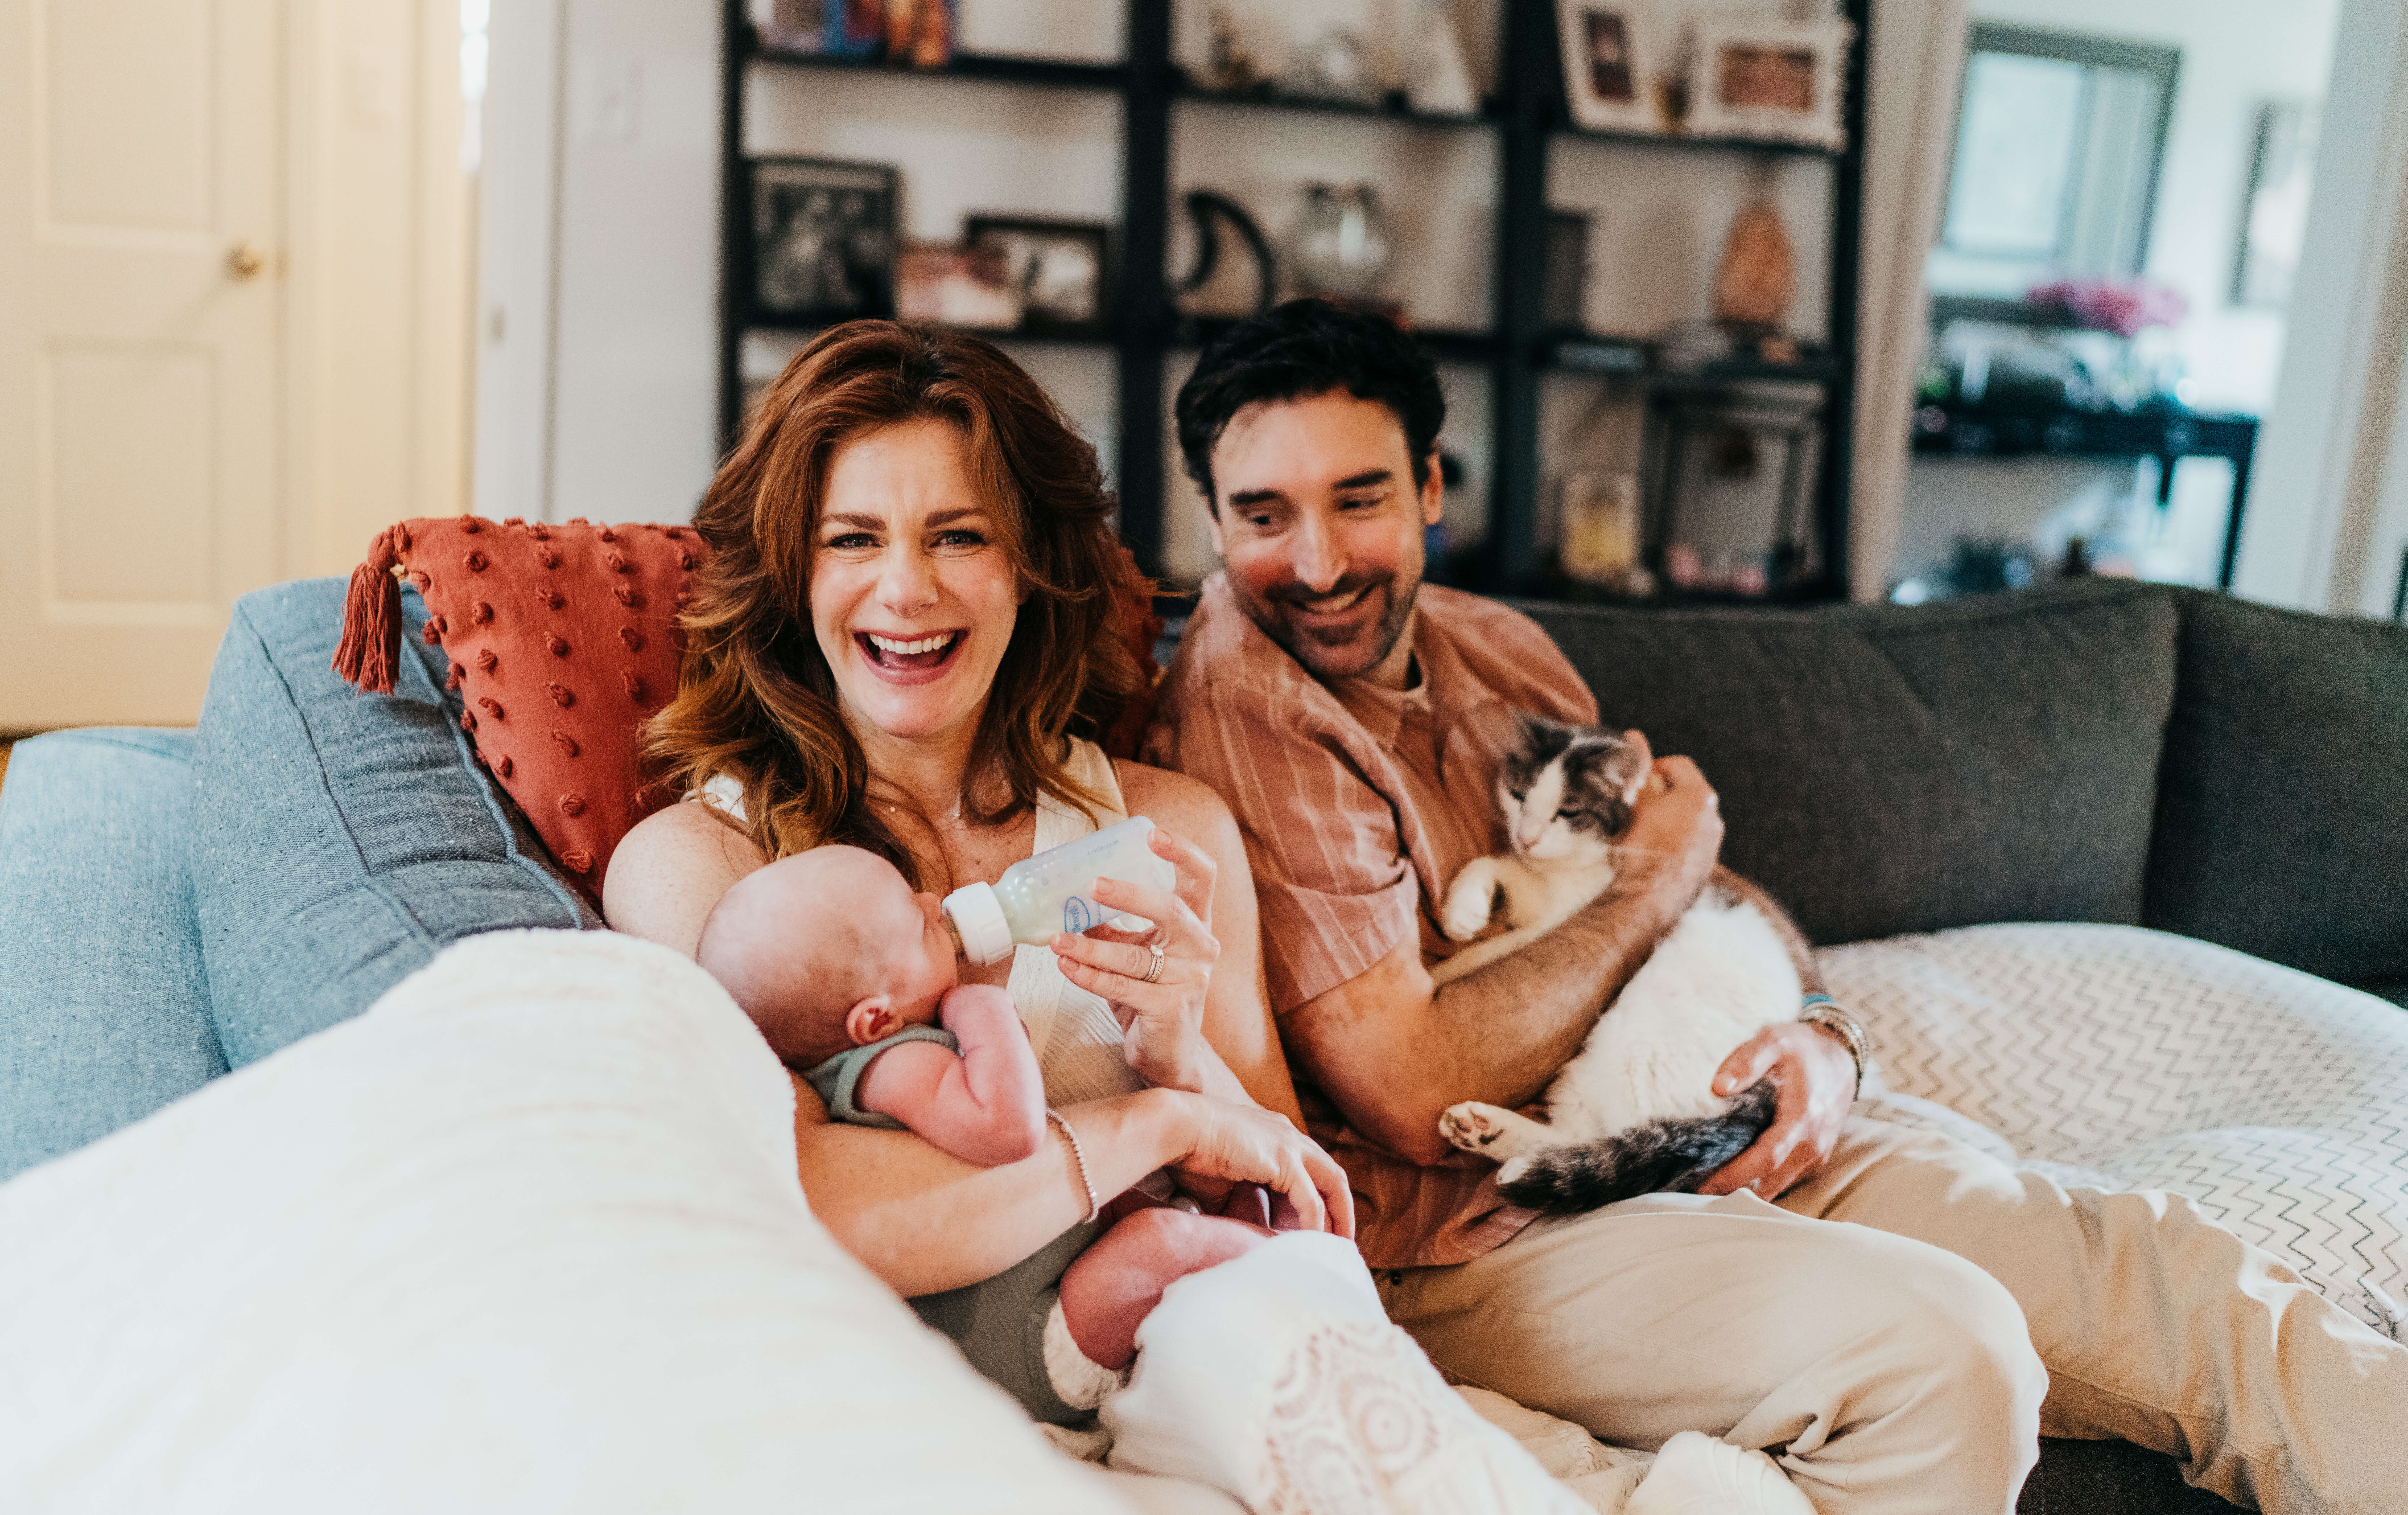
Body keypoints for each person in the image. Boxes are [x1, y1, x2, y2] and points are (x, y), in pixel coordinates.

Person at [1142, 297, 2408, 1515]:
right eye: (1264, 514)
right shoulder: (1254, 717)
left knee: (2157, 1263)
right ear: (1210, 518)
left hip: (1697, 1117)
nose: (1317, 563)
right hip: (1478, 1229)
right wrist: (1652, 876)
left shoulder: (1493, 645)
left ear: (1428, 487)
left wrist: (1817, 1023)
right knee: (1950, 1351)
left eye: (1357, 498)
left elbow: (1705, 873)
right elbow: (1416, 1085)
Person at [600, 322, 1614, 1515]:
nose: (907, 588)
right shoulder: (703, 868)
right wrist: (1151, 1123)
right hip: (891, 1421)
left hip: (1188, 1381)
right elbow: (805, 1199)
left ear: (1031, 565)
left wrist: (1182, 1055)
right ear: (792, 575)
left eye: (960, 535)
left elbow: (1300, 1221)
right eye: (852, 539)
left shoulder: (1166, 828)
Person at [696, 844, 1272, 1385]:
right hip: (1033, 1335)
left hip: (1060, 1279)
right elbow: (1012, 1130)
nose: (933, 902)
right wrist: (985, 1008)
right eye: (919, 925)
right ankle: (1290, 1262)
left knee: (1198, 1213)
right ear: (876, 1020)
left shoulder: (885, 1053)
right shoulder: (893, 1066)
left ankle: (1276, 1251)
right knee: (1166, 1239)